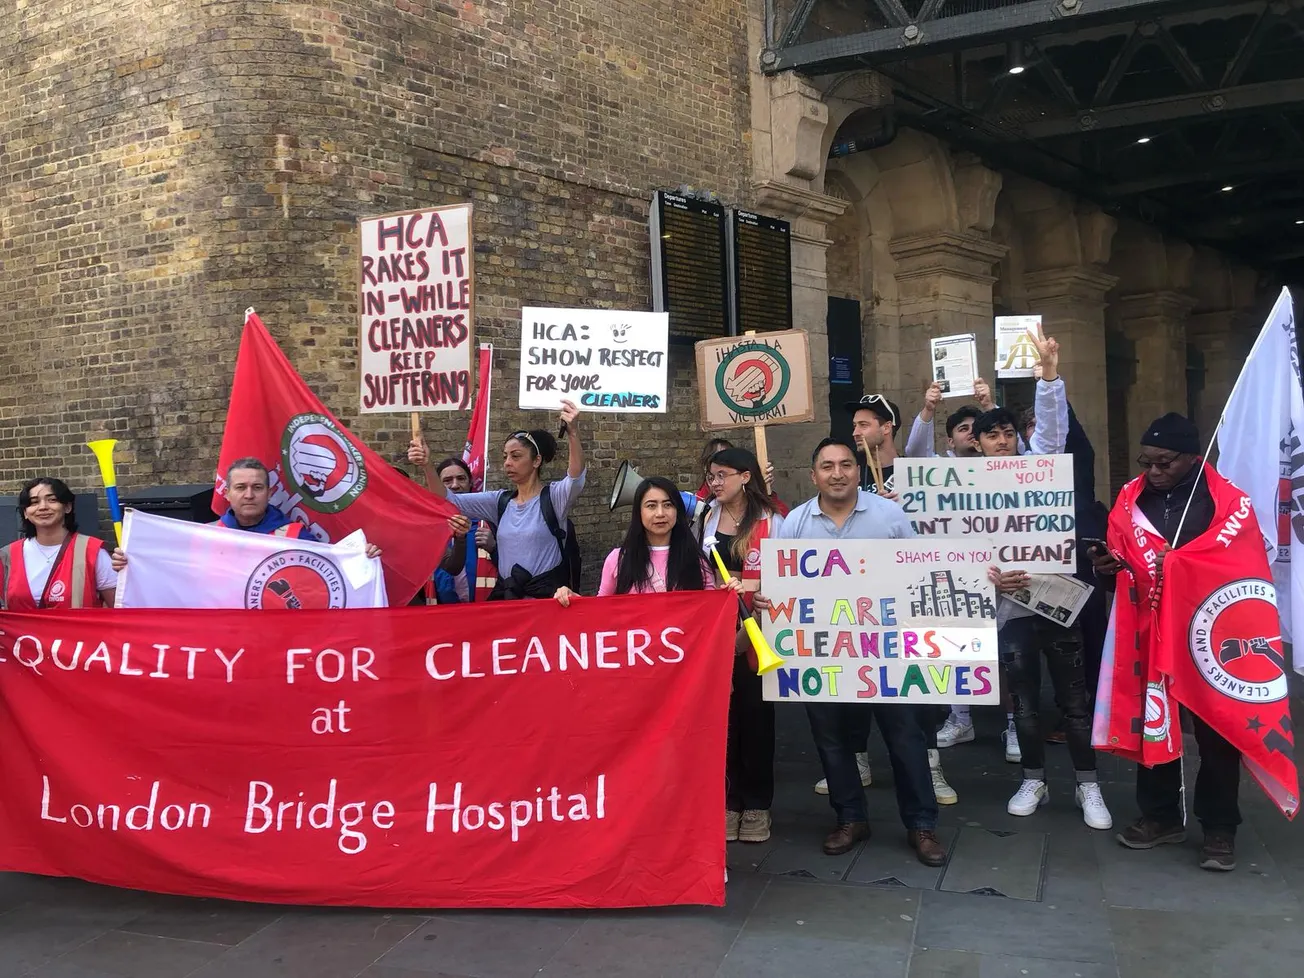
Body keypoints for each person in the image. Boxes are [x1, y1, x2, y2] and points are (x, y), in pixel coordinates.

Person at [754, 438, 947, 867]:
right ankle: (850, 818)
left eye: (845, 464)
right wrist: (767, 598)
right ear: (813, 475)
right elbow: (778, 582)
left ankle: (922, 824)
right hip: (823, 654)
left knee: (906, 737)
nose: (837, 473)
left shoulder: (889, 516)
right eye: (827, 466)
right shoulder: (795, 523)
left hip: (888, 653)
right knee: (832, 740)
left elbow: (921, 572)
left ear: (859, 471)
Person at [1090, 413, 1243, 871]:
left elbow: (1240, 562)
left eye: (1165, 463)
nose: (1153, 472)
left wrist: (1181, 567)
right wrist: (1107, 569)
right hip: (1149, 629)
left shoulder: (1227, 502)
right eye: (1147, 462)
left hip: (1209, 632)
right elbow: (1122, 559)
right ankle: (1160, 816)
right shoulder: (1130, 499)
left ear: (1192, 458)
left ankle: (1219, 827)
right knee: (1154, 719)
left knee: (1218, 731)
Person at [978, 335, 1112, 831]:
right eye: (991, 435)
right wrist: (992, 578)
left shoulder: (1040, 468)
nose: (1001, 441)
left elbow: (1053, 433)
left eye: (1008, 433)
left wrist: (1049, 376)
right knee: (1026, 707)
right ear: (977, 443)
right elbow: (958, 552)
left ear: (1018, 437)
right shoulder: (967, 490)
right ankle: (1033, 779)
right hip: (1011, 609)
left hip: (1057, 601)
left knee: (1074, 704)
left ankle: (1088, 784)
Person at [409, 400, 584, 600]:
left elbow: (576, 477)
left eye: (516, 456)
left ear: (536, 461)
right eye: (505, 456)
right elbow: (449, 501)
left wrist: (573, 433)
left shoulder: (554, 497)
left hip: (545, 603)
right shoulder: (500, 502)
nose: (507, 463)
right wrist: (427, 465)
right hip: (509, 602)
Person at [700, 447, 784, 845]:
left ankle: (757, 804)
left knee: (756, 721)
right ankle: (729, 801)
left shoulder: (773, 520)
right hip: (714, 633)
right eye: (711, 476)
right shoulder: (704, 517)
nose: (715, 483)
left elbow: (782, 579)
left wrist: (745, 635)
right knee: (723, 720)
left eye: (722, 475)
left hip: (758, 632)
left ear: (746, 476)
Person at [111, 458, 381, 573]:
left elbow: (331, 571)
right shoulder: (205, 536)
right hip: (224, 638)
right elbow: (170, 574)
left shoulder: (296, 535)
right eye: (240, 488)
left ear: (269, 492)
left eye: (257, 487)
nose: (249, 495)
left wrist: (361, 558)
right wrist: (132, 564)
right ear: (227, 493)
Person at [554, 475, 733, 600]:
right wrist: (573, 600)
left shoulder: (697, 560)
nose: (660, 513)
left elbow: (711, 610)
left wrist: (729, 595)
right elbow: (600, 611)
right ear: (638, 512)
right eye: (651, 506)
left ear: (677, 511)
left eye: (668, 505)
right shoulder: (618, 560)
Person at [0, 477, 117, 609]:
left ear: (67, 507)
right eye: (34, 502)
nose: (43, 507)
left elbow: (120, 609)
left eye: (52, 500)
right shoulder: (7, 556)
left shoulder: (92, 551)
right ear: (25, 512)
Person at [433, 456, 497, 603]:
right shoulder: (429, 527)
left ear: (471, 482)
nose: (455, 485)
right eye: (447, 480)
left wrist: (494, 547)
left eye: (461, 479)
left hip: (486, 608)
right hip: (440, 611)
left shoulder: (489, 523)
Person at [693, 437, 788, 517]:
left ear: (744, 476)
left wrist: (763, 490)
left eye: (727, 458)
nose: (715, 483)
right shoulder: (698, 503)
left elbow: (782, 519)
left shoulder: (752, 499)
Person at [904, 379, 994, 458]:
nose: (972, 431)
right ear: (951, 442)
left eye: (976, 427)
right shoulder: (939, 467)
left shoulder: (998, 462)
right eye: (963, 429)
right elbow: (916, 454)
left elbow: (1001, 436)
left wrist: (988, 405)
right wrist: (928, 409)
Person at [846, 393, 902, 495]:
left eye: (863, 425)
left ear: (886, 428)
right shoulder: (850, 472)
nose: (855, 433)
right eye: (855, 426)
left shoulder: (909, 473)